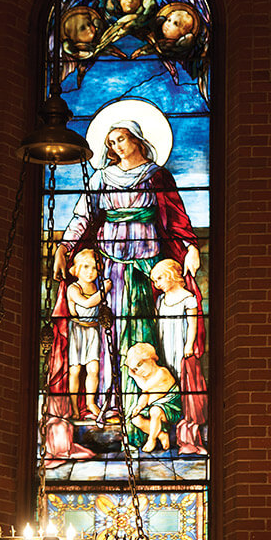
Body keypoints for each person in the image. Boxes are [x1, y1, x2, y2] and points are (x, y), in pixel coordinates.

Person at [51, 119, 202, 427]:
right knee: (111, 331)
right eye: (110, 142)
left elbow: (176, 216)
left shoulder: (156, 176)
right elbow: (83, 216)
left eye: (120, 139)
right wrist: (64, 249)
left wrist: (190, 247)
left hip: (147, 266)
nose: (115, 146)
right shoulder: (101, 177)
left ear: (137, 139)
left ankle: (145, 405)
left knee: (143, 331)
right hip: (111, 267)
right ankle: (111, 403)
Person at [151, 258, 207, 455]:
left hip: (181, 346)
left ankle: (186, 427)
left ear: (171, 276)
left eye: (159, 279)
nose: (157, 284)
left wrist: (189, 345)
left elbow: (192, 325)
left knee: (183, 381)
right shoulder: (161, 300)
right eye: (155, 280)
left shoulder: (188, 298)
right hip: (165, 345)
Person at [66, 249, 111, 419]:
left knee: (93, 369)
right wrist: (104, 290)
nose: (90, 272)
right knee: (75, 370)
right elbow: (86, 304)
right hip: (77, 331)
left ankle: (90, 403)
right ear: (77, 268)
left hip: (93, 330)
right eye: (85, 267)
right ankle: (74, 408)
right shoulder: (73, 288)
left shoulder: (95, 286)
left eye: (94, 268)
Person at [124, 342, 177, 453]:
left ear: (149, 358)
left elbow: (145, 387)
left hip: (171, 408)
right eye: (135, 369)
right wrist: (139, 406)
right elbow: (145, 394)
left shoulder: (162, 372)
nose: (139, 371)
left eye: (139, 365)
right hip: (155, 409)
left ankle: (151, 439)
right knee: (136, 419)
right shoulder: (147, 378)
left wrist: (134, 376)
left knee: (155, 411)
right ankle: (161, 435)